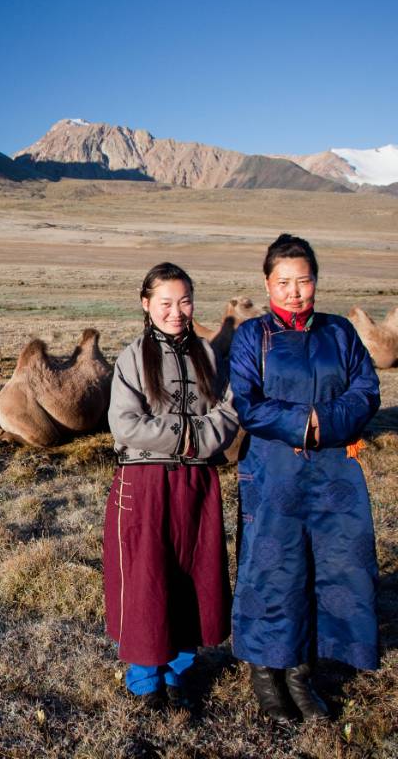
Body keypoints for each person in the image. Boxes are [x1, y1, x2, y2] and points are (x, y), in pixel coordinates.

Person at [229, 234, 380, 724]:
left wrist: (324, 422)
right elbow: (248, 404)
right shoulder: (254, 336)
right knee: (274, 569)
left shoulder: (340, 333)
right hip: (274, 471)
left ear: (316, 280)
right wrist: (304, 423)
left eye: (304, 280)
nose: (295, 292)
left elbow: (366, 392)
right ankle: (267, 673)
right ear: (267, 283)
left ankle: (301, 672)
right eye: (284, 282)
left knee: (330, 567)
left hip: (334, 470)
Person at [104, 262, 239, 708]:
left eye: (184, 302)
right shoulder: (130, 357)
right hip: (145, 483)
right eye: (165, 303)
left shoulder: (208, 354)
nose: (176, 312)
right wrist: (186, 435)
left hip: (196, 482)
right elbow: (125, 425)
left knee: (191, 575)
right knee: (148, 580)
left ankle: (181, 671)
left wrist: (195, 438)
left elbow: (228, 412)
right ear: (146, 305)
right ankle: (146, 678)